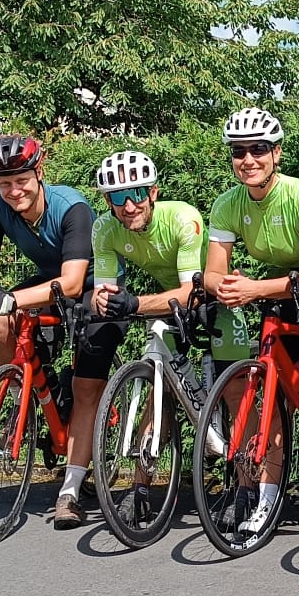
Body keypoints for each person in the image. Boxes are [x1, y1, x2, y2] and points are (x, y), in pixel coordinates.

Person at [201, 107, 299, 534]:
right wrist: (226, 286)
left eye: (258, 149)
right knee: (269, 395)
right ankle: (262, 492)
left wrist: (255, 288)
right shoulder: (228, 203)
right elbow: (211, 272)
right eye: (239, 152)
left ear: (276, 153)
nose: (248, 159)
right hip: (276, 293)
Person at [0, 134, 102, 530]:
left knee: (86, 384)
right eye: (4, 183)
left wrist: (11, 299)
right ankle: (22, 388)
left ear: (40, 173)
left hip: (89, 284)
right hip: (45, 281)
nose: (13, 191)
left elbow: (72, 283)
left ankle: (71, 489)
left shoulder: (71, 207)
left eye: (21, 180)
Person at [89, 150, 206, 525]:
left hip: (210, 299)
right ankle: (140, 489)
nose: (129, 206)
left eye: (137, 193)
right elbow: (104, 289)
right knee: (158, 389)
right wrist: (101, 298)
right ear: (108, 201)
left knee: (234, 392)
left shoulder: (182, 218)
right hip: (164, 304)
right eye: (118, 197)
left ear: (153, 192)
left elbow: (191, 292)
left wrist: (135, 303)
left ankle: (246, 490)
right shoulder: (104, 229)